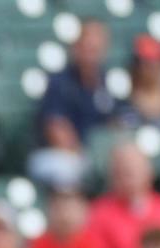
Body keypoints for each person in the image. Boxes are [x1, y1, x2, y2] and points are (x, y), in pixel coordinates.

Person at [28, 18, 116, 190]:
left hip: (99, 157)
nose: (91, 53)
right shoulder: (60, 82)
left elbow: (117, 124)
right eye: (87, 47)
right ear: (75, 47)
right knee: (66, 168)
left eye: (96, 48)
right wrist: (89, 156)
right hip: (61, 155)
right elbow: (56, 130)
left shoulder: (109, 83)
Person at [84, 140, 160, 248]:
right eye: (120, 171)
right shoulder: (98, 214)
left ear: (149, 171)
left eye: (132, 169)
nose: (127, 176)